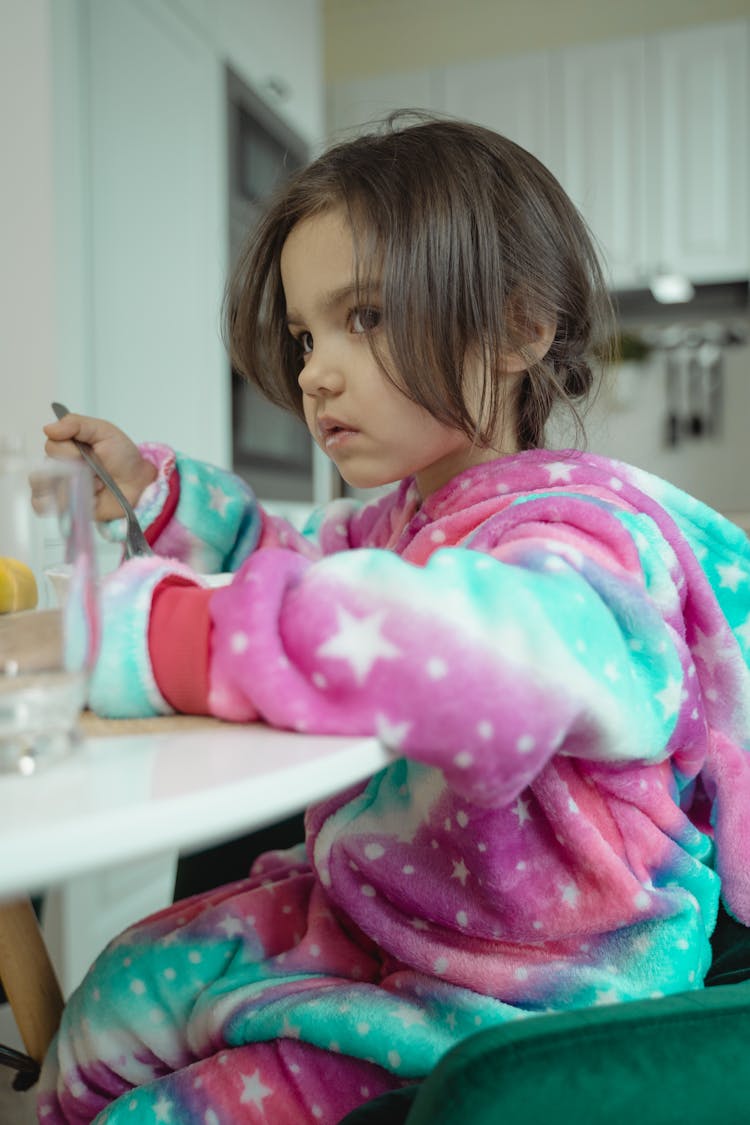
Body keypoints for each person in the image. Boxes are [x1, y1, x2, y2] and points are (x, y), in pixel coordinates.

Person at [37, 116, 750, 1125]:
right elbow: (293, 575)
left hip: (517, 993)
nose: (316, 372)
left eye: (363, 317)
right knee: (108, 1001)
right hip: (379, 921)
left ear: (517, 326)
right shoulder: (404, 519)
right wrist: (160, 502)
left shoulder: (587, 540)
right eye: (303, 335)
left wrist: (159, 638)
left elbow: (452, 645)